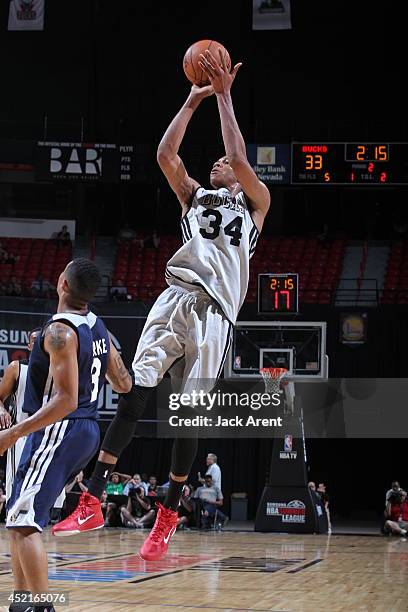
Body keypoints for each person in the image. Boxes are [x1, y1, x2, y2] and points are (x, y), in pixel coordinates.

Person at [53, 48, 270, 563]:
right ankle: (92, 499)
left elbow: (239, 157)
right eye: (216, 161)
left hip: (216, 313)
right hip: (175, 298)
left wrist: (225, 97)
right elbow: (164, 156)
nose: (219, 163)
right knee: (135, 393)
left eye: (226, 164)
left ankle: (168, 516)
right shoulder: (194, 198)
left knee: (187, 420)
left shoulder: (257, 203)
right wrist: (194, 101)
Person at [0, 258, 132, 611]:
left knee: (25, 521)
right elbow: (123, 383)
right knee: (18, 517)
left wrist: (13, 433)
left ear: (61, 283)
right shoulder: (97, 326)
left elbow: (66, 400)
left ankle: (43, 606)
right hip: (86, 430)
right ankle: (23, 602)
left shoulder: (60, 332)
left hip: (59, 427)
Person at [0, 328, 41, 504]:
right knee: (17, 489)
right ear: (29, 345)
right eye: (35, 341)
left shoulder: (59, 368)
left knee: (48, 493)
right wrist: (1, 410)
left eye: (42, 340)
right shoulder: (17, 367)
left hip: (49, 434)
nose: (38, 344)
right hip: (21, 433)